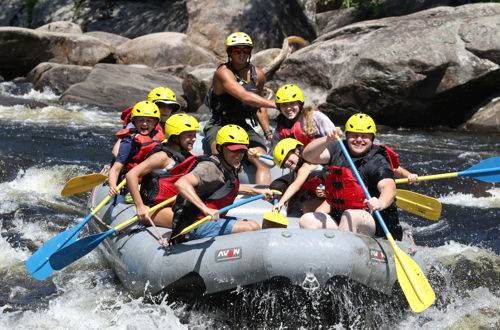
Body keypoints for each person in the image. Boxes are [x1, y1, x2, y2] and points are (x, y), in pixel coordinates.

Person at [299, 113, 404, 240]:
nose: (359, 139)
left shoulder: (377, 161)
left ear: (372, 138)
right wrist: (326, 139)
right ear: (347, 136)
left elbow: (389, 187)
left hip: (377, 226)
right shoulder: (338, 148)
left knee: (351, 216)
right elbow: (308, 155)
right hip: (342, 221)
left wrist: (380, 202)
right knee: (308, 220)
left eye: (364, 136)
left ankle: (340, 253)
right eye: (354, 135)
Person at [170, 124, 273, 243]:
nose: (238, 155)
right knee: (252, 227)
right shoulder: (210, 167)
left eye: (242, 151)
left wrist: (257, 191)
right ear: (220, 148)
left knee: (253, 224)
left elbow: (230, 186)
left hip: (210, 220)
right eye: (233, 150)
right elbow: (181, 183)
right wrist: (205, 209)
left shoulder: (228, 165)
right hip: (193, 225)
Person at [203, 32, 277, 185]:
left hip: (243, 125)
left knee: (263, 161)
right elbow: (243, 96)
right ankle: (222, 196)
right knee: (222, 157)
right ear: (230, 52)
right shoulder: (223, 73)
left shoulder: (258, 75)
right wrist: (277, 104)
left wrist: (268, 133)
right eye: (237, 51)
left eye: (246, 51)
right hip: (219, 124)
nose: (242, 54)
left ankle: (263, 200)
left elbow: (259, 106)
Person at [125, 113, 200, 227]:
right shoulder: (162, 157)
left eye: (194, 135)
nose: (194, 139)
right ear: (175, 137)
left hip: (176, 204)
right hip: (156, 208)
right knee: (194, 223)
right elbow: (131, 175)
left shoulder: (187, 154)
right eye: (189, 135)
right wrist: (140, 206)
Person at [108, 101, 164, 196]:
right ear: (134, 122)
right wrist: (112, 186)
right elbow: (116, 168)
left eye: (149, 121)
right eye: (140, 120)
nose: (145, 124)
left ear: (155, 123)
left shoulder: (161, 138)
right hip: (133, 183)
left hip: (154, 181)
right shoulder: (129, 142)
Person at [112, 86, 181, 157]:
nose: (166, 110)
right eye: (161, 105)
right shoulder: (136, 124)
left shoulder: (170, 125)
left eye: (170, 106)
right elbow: (116, 151)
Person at [269, 83, 336, 153]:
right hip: (297, 162)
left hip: (321, 159)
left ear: (300, 104)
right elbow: (272, 156)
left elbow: (336, 143)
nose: (288, 108)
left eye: (292, 103)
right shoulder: (281, 126)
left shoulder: (316, 116)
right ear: (279, 108)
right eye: (284, 105)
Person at [269, 138, 328, 214]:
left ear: (297, 151)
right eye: (284, 163)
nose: (287, 163)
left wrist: (281, 202)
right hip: (326, 196)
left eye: (287, 157)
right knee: (307, 206)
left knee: (317, 210)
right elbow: (296, 185)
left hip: (336, 193)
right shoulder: (297, 172)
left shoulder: (310, 162)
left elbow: (296, 185)